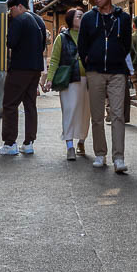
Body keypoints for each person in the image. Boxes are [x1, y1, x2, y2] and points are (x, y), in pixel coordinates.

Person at [77, 0, 132, 173]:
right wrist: (91, 63)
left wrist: (116, 58)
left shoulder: (123, 18)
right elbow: (82, 46)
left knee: (117, 115)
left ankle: (119, 158)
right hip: (95, 72)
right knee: (97, 116)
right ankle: (101, 154)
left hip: (117, 72)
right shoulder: (88, 18)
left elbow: (127, 45)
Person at [0, 0, 46, 156]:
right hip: (36, 68)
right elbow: (44, 43)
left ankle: (10, 143)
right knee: (30, 104)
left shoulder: (19, 20)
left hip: (19, 68)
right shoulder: (39, 20)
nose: (11, 13)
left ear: (19, 6)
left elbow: (10, 42)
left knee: (10, 104)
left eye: (12, 9)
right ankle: (29, 142)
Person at [45, 8, 90, 160]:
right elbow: (55, 59)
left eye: (83, 16)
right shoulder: (62, 38)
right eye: (79, 16)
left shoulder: (88, 35)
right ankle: (69, 145)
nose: (82, 18)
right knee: (70, 111)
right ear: (71, 20)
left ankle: (82, 141)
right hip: (70, 79)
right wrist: (49, 79)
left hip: (88, 80)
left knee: (85, 112)